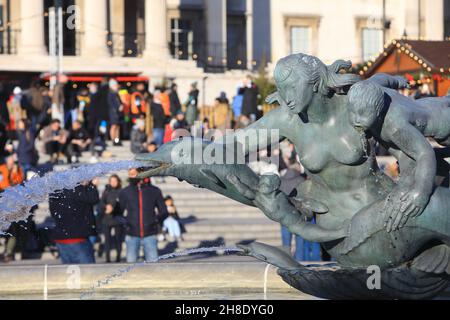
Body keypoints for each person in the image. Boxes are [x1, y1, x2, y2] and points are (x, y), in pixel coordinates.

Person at [347, 80, 450, 230]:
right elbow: (381, 77)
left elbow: (424, 154)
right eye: (352, 111)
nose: (356, 118)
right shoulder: (374, 88)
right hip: (434, 105)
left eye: (363, 114)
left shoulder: (395, 127)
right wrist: (396, 80)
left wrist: (420, 193)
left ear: (377, 110)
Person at [119, 168, 168, 263]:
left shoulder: (155, 191)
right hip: (132, 234)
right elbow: (118, 213)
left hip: (150, 234)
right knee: (130, 267)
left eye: (133, 174)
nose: (130, 176)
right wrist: (126, 224)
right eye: (129, 174)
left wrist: (156, 222)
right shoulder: (125, 191)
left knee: (153, 266)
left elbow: (164, 211)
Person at [49, 180, 99, 264]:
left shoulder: (55, 192)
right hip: (78, 238)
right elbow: (93, 199)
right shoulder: (77, 190)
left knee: (69, 273)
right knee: (88, 273)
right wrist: (91, 185)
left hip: (61, 238)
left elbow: (53, 212)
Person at [99, 175, 124, 263]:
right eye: (111, 181)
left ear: (118, 181)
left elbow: (123, 205)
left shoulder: (121, 191)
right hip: (107, 219)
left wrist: (113, 208)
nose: (113, 183)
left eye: (115, 181)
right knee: (107, 240)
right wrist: (106, 207)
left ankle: (118, 258)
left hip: (117, 218)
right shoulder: (106, 191)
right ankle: (108, 259)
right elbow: (101, 203)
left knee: (118, 239)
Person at [107, 79, 123, 146]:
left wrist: (121, 106)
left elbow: (119, 102)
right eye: (116, 85)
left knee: (117, 126)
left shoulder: (116, 93)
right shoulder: (110, 94)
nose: (117, 87)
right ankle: (113, 140)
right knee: (114, 126)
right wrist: (117, 108)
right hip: (113, 112)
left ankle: (117, 140)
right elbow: (111, 103)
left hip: (118, 112)